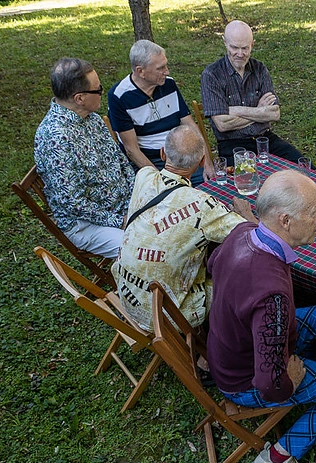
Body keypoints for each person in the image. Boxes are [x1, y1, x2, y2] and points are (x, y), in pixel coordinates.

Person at [206, 170, 316, 463]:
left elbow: (212, 266)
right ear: (285, 221)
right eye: (313, 212)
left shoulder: (243, 231)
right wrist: (289, 380)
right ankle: (278, 459)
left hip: (231, 349)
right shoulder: (273, 296)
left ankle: (313, 380)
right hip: (247, 378)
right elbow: (270, 385)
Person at [112, 125, 256, 331]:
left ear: (163, 153)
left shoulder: (143, 176)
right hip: (168, 316)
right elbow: (256, 238)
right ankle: (217, 346)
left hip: (128, 296)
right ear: (202, 162)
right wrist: (247, 214)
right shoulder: (202, 205)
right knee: (237, 276)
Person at [34, 57, 135, 259]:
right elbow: (74, 204)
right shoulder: (56, 138)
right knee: (147, 251)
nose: (102, 93)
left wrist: (137, 194)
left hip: (123, 204)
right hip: (88, 224)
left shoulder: (92, 118)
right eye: (98, 90)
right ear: (79, 98)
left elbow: (120, 160)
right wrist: (121, 220)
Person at [108, 40, 213, 186]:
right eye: (160, 68)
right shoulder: (119, 96)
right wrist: (161, 182)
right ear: (140, 71)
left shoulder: (168, 84)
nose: (167, 71)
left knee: (209, 190)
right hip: (150, 161)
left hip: (181, 155)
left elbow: (189, 124)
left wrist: (207, 162)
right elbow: (132, 150)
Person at [200, 20, 304, 165]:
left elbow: (274, 113)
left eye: (245, 48)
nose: (240, 54)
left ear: (252, 45)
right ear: (225, 42)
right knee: (252, 180)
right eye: (234, 47)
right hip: (233, 145)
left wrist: (235, 111)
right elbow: (222, 124)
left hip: (265, 139)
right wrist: (259, 111)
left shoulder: (260, 69)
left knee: (304, 165)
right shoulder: (212, 75)